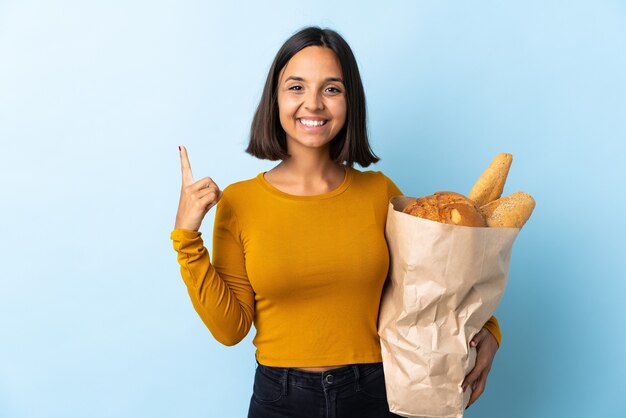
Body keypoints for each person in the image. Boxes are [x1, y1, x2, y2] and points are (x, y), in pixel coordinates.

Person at [171, 26, 501, 418]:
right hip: (281, 399)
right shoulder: (241, 202)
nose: (313, 104)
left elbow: (435, 284)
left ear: (350, 102)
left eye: (331, 89)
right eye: (296, 87)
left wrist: (490, 332)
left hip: (377, 393)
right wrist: (187, 236)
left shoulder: (380, 194)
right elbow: (231, 329)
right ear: (274, 99)